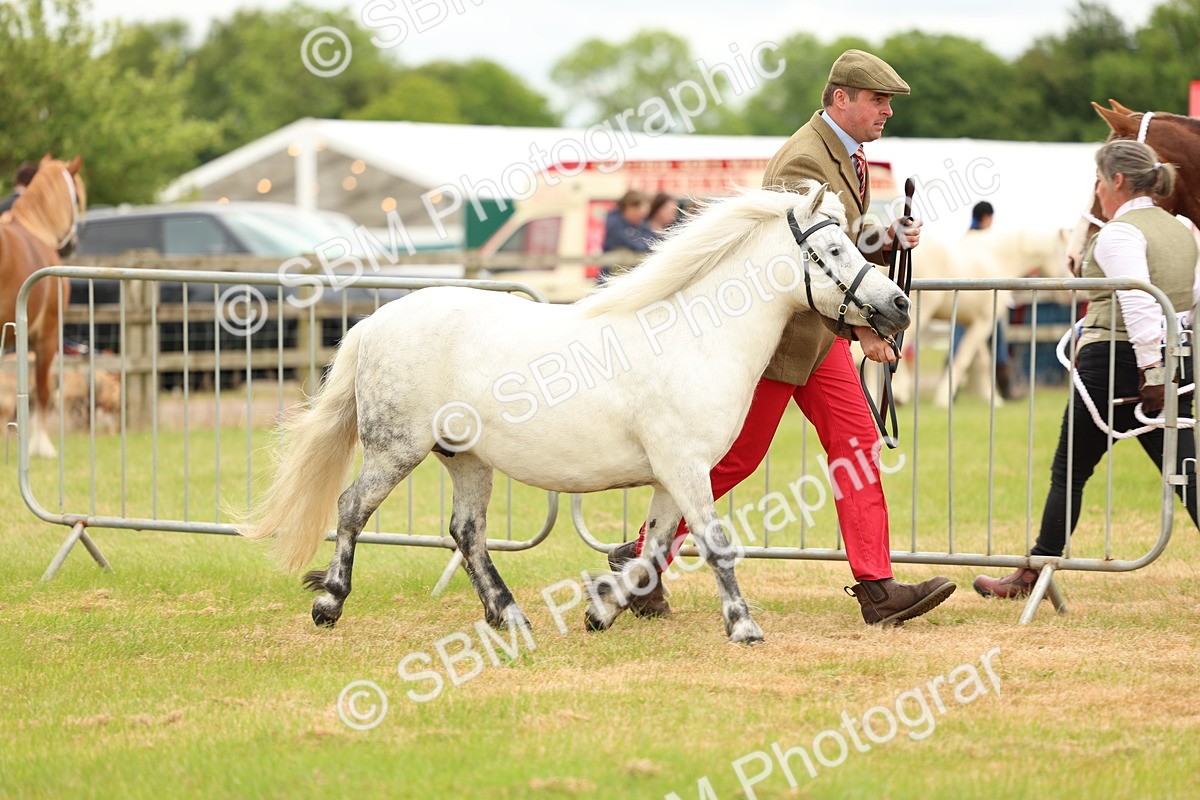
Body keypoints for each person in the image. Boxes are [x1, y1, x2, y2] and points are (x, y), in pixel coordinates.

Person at [606, 50, 956, 627]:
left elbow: (842, 239)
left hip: (818, 339)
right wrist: (865, 324)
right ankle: (642, 558)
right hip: (782, 339)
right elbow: (806, 263)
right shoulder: (802, 162)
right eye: (877, 100)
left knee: (857, 446)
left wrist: (887, 236)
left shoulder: (845, 154)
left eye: (889, 102)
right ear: (840, 98)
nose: (887, 111)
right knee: (734, 458)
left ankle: (878, 587)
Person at [975, 140, 1199, 598]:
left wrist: (1152, 372)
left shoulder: (1120, 233)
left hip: (1121, 364)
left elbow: (1138, 303)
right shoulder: (1183, 230)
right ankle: (1034, 570)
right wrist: (1170, 365)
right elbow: (1188, 302)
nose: (1096, 189)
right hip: (1170, 360)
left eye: (1098, 179)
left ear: (1116, 180)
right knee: (1187, 471)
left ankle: (1034, 571)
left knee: (1070, 471)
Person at [600, 189, 655, 282]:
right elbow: (637, 246)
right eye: (640, 214)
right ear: (630, 207)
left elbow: (655, 242)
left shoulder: (639, 225)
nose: (642, 218)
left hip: (631, 279)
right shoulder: (613, 225)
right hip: (610, 280)